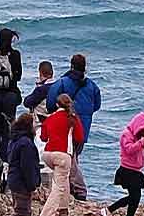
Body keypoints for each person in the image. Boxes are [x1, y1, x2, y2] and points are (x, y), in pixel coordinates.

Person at [36, 54, 102, 201]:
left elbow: (50, 102)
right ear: (85, 67)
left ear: (71, 66)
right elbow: (97, 105)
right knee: (73, 157)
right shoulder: (92, 86)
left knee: (69, 158)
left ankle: (78, 190)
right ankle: (70, 188)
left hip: (64, 127)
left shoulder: (62, 83)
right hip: (84, 127)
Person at [39, 94, 85, 216]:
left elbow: (43, 137)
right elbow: (80, 137)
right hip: (63, 154)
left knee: (62, 178)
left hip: (47, 154)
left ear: (57, 105)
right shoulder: (72, 119)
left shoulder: (50, 118)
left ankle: (63, 208)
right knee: (58, 186)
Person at [110, 113, 144, 216]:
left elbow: (137, 150)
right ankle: (109, 210)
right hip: (127, 170)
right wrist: (142, 142)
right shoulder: (126, 135)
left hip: (135, 170)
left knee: (135, 197)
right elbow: (129, 149)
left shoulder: (137, 137)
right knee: (134, 196)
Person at [0, 28, 24, 150]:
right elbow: (18, 76)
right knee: (8, 126)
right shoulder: (15, 54)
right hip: (10, 94)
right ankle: (7, 154)